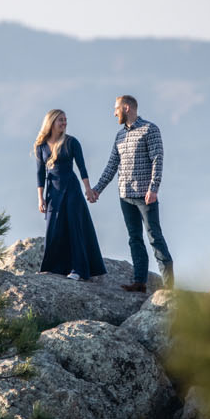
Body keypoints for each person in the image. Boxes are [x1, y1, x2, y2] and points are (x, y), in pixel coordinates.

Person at [88, 95, 174, 292]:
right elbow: (112, 165)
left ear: (126, 108)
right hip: (125, 195)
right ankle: (139, 282)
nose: (114, 113)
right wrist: (97, 190)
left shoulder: (150, 129)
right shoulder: (119, 136)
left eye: (116, 109)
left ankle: (169, 287)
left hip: (145, 195)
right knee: (134, 237)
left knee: (155, 237)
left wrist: (154, 188)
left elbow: (157, 160)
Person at [33, 109, 107, 281]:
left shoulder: (71, 142)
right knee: (53, 228)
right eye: (61, 120)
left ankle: (79, 269)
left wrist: (88, 189)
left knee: (74, 227)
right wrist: (40, 198)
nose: (64, 123)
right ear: (51, 122)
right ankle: (52, 268)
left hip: (71, 189)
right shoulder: (41, 146)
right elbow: (39, 174)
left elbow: (82, 167)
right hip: (53, 192)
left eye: (65, 120)